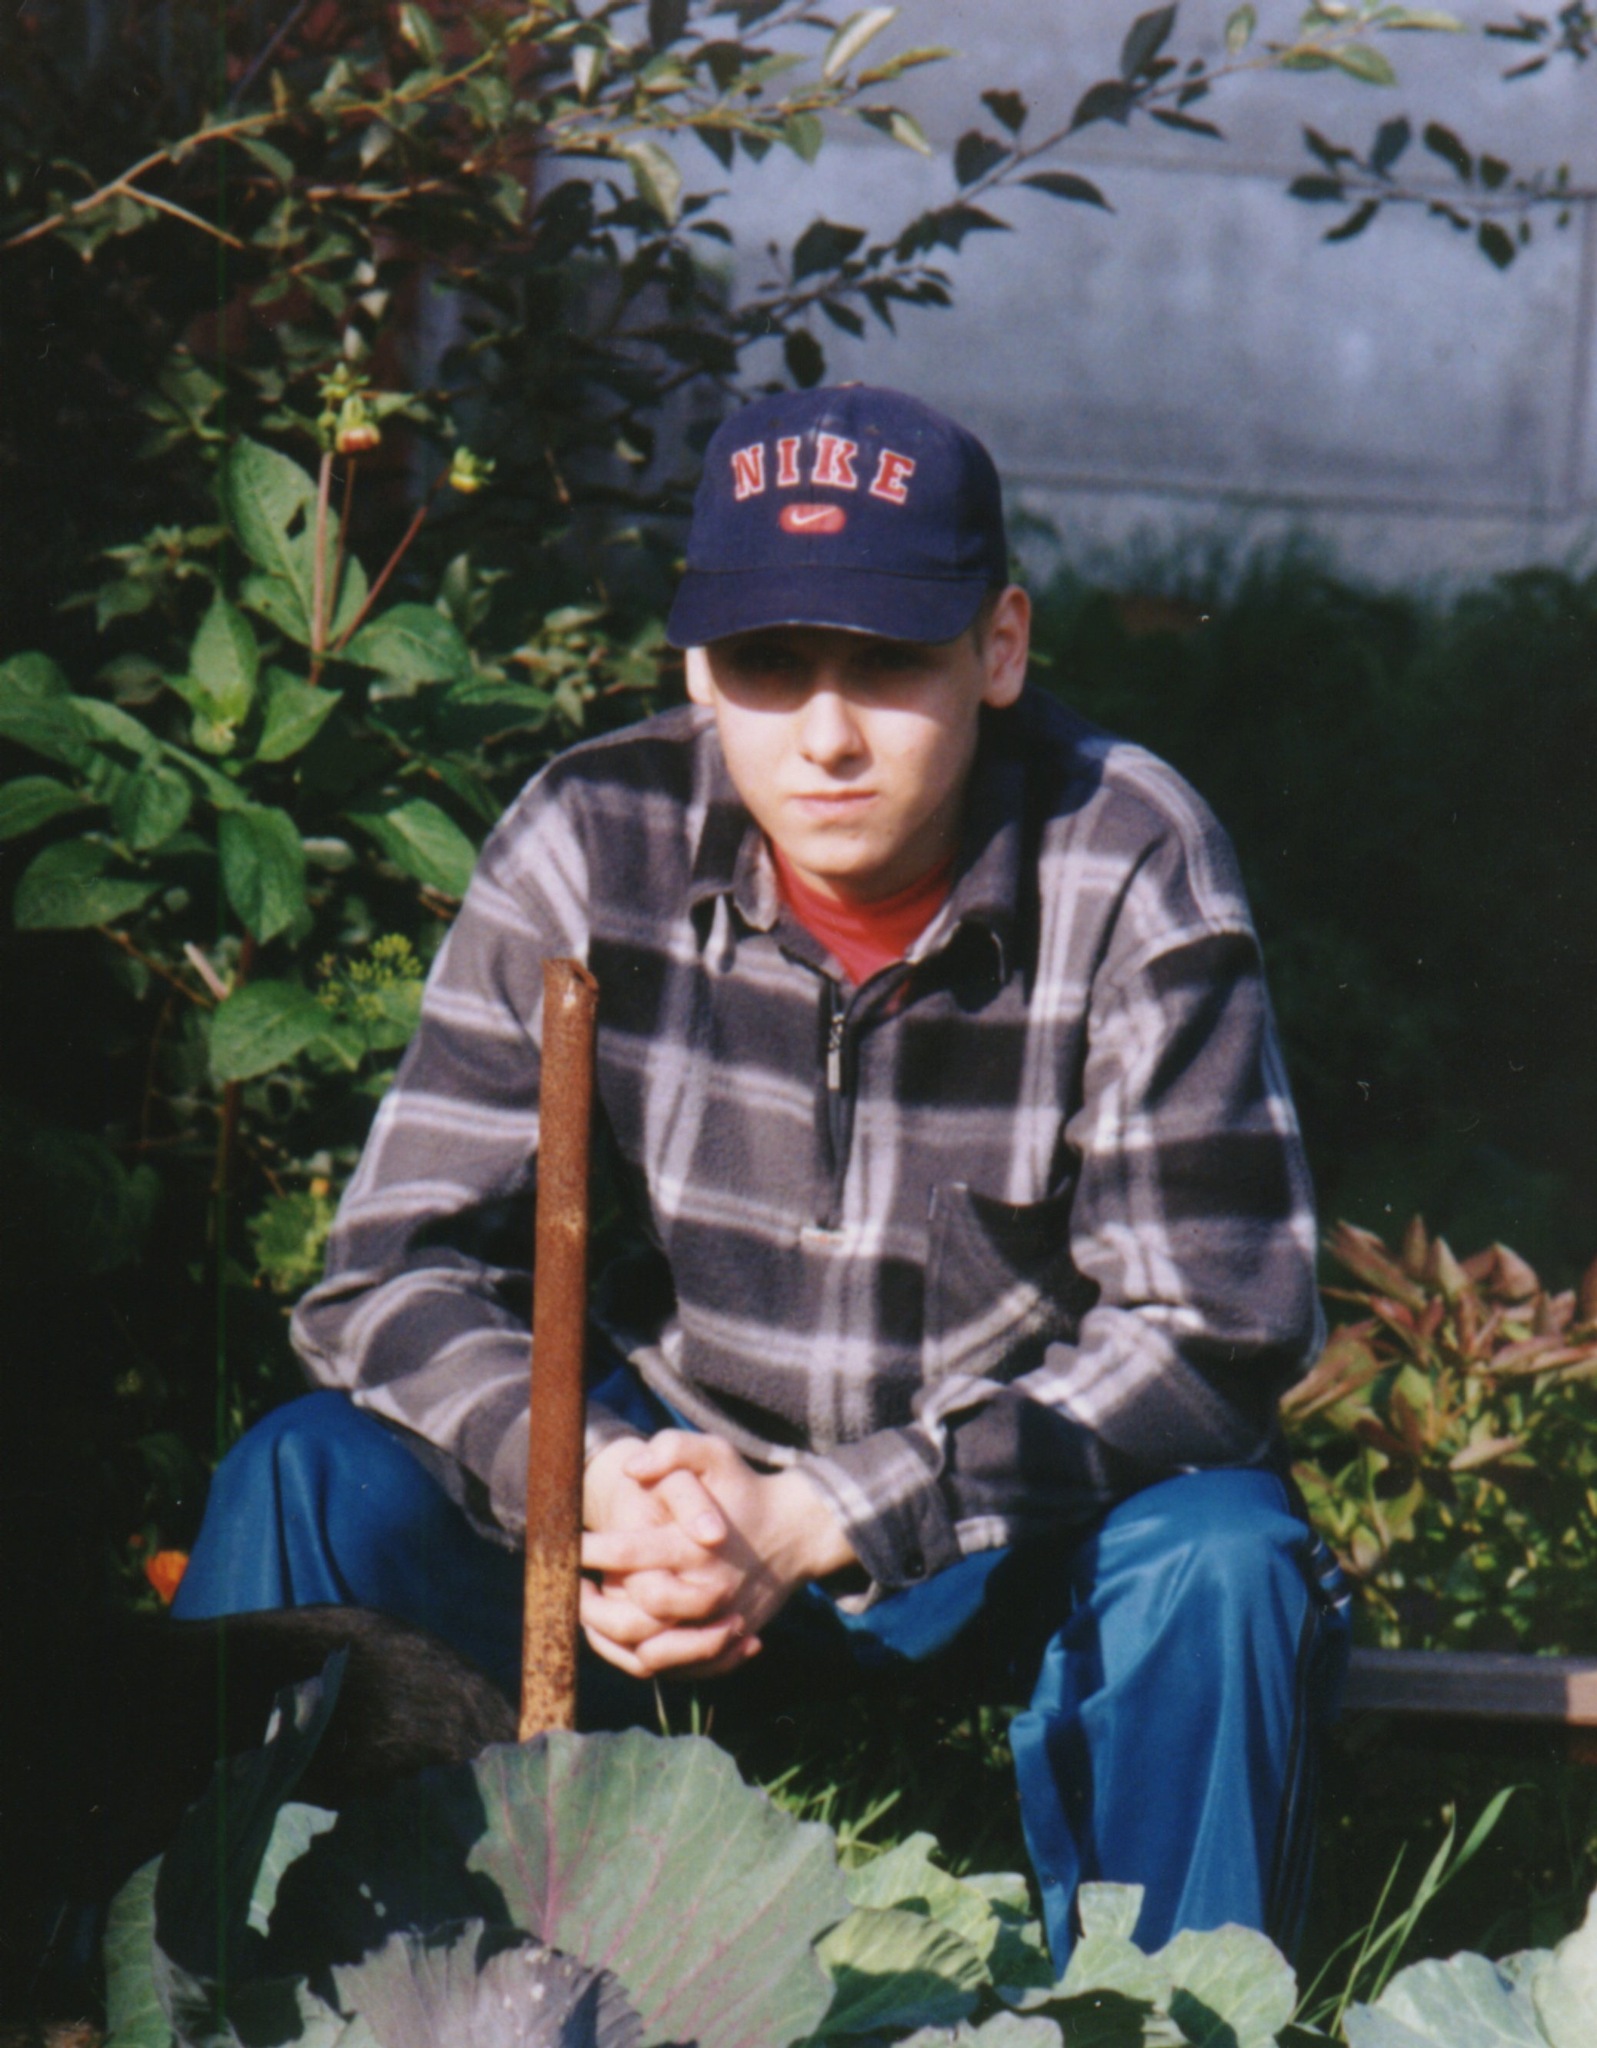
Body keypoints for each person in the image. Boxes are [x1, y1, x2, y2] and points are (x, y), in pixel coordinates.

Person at [176, 384, 1348, 1964]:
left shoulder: (1126, 851)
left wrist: (811, 1518)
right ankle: (239, 1977)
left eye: (890, 662)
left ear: (999, 647)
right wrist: (593, 1479)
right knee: (303, 1470)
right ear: (695, 667)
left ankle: (1170, 2007)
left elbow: (1218, 1326)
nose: (827, 734)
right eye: (769, 665)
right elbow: (388, 1272)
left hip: (992, 1539)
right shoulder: (593, 831)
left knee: (1220, 1557)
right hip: (642, 1513)